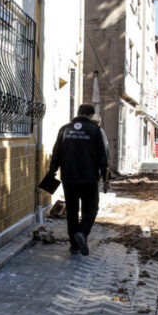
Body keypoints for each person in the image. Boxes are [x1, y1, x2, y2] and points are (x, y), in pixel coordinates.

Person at [48, 104, 109, 255]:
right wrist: (105, 177)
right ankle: (82, 232)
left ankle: (74, 246)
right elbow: (102, 156)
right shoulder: (95, 130)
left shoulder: (64, 129)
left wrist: (52, 172)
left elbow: (56, 153)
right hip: (88, 178)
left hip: (68, 177)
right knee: (91, 208)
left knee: (72, 211)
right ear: (91, 115)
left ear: (78, 113)